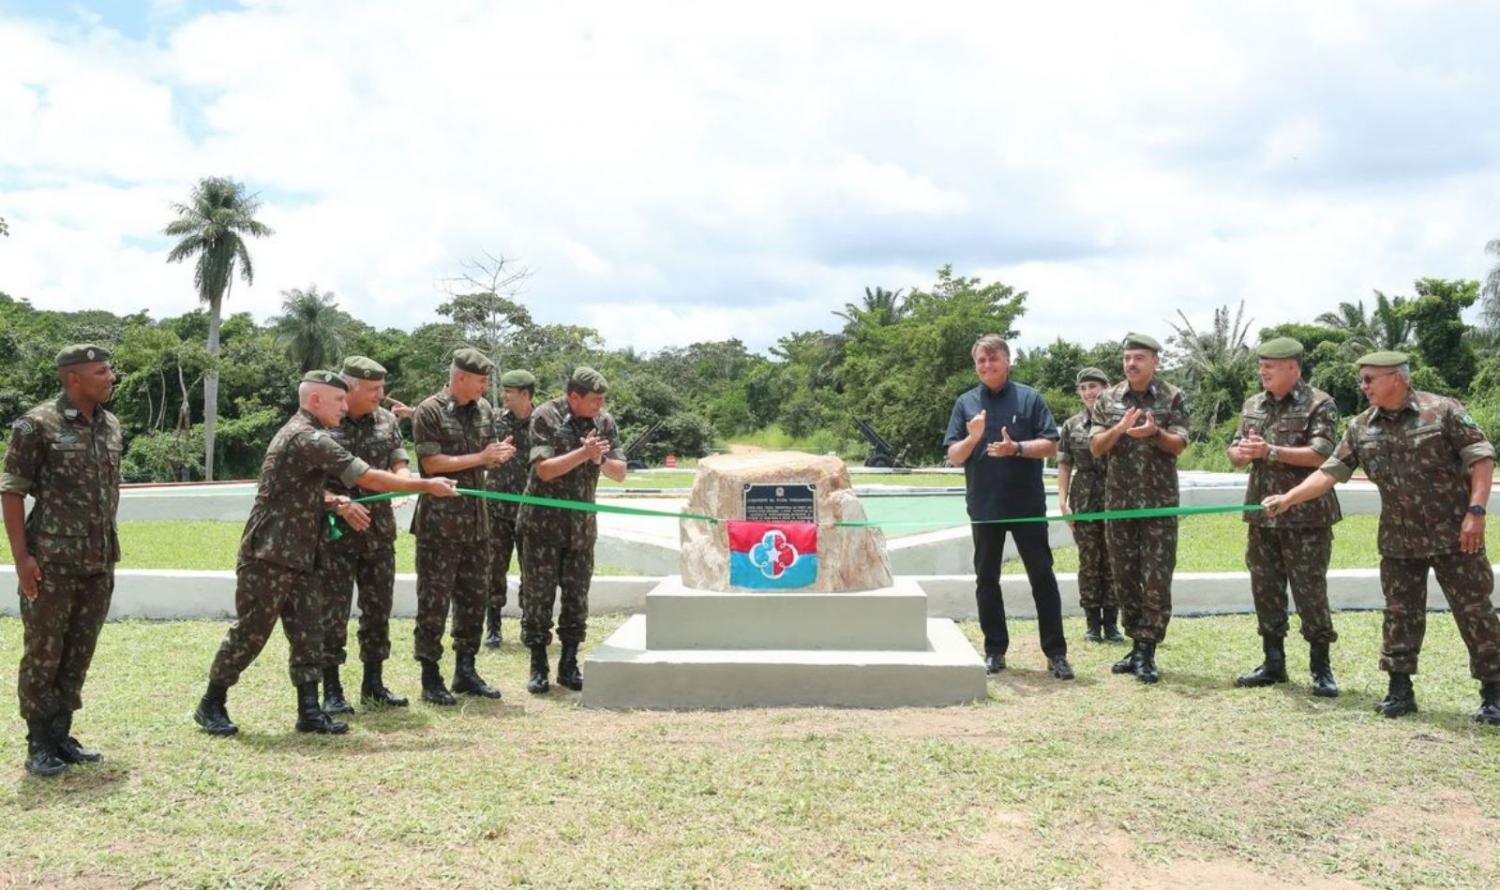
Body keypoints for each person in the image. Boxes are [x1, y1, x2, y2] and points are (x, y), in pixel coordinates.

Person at [193, 371, 457, 737]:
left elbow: (310, 489)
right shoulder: (306, 436)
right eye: (338, 400)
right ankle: (212, 702)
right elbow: (366, 477)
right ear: (315, 400)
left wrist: (336, 501)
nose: (345, 406)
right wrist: (426, 484)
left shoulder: (312, 434)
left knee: (308, 634)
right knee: (252, 632)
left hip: (304, 551)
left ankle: (310, 711)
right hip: (270, 552)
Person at [1264, 351, 1500, 724]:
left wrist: (1476, 512)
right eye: (1363, 379)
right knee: (1400, 614)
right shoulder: (1360, 426)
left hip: (1456, 534)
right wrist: (1288, 499)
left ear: (1397, 378)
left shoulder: (1443, 411)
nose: (1364, 386)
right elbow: (1329, 472)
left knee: (1475, 611)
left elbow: (1481, 458)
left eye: (1370, 379)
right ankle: (1400, 690)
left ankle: (1493, 693)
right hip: (1399, 538)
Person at [2, 345, 120, 776]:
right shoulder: (37, 426)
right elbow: (12, 491)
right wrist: (22, 559)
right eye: (101, 371)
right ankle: (38, 743)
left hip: (99, 561)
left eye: (109, 370)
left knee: (78, 652)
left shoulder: (110, 426)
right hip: (50, 563)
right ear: (73, 378)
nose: (111, 377)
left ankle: (61, 733)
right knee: (43, 654)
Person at [943, 335, 1073, 680]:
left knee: (1042, 577)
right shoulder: (966, 403)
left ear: (1007, 360)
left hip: (1027, 506)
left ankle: (1056, 653)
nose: (987, 366)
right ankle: (995, 649)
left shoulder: (1029, 399)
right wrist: (973, 438)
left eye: (993, 359)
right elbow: (953, 456)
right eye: (981, 361)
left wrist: (1015, 447)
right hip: (985, 507)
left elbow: (1050, 445)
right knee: (987, 580)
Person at [1227, 337, 1342, 697]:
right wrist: (1242, 453)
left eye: (1270, 366)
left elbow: (1322, 453)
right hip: (1262, 516)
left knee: (1310, 591)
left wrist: (1270, 451)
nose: (1263, 371)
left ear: (1293, 367)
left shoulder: (1319, 403)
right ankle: (1273, 662)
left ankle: (1321, 668)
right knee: (1266, 590)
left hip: (1306, 516)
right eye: (1261, 365)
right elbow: (1233, 452)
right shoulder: (1252, 405)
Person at [409, 348, 514, 704]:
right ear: (460, 377)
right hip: (439, 527)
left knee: (474, 599)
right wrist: (481, 458)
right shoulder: (429, 410)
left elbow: (485, 455)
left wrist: (497, 455)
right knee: (434, 603)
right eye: (481, 380)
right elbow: (431, 463)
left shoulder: (484, 410)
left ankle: (465, 671)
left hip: (476, 524)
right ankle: (430, 676)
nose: (485, 387)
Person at [315, 356, 415, 714]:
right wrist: (337, 504)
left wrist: (404, 481)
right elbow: (302, 484)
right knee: (332, 613)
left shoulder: (387, 421)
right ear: (350, 387)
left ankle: (374, 683)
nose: (380, 395)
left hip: (379, 534)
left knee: (377, 611)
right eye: (373, 389)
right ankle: (331, 689)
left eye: (382, 388)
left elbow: (399, 460)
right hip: (335, 536)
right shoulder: (323, 422)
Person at [518, 366, 626, 693]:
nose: (599, 405)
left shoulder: (604, 423)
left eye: (603, 399)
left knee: (577, 598)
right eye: (594, 399)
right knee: (538, 598)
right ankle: (538, 664)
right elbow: (545, 471)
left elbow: (619, 472)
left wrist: (598, 461)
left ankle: (569, 663)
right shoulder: (546, 416)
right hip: (542, 527)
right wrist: (583, 453)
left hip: (580, 529)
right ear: (573, 396)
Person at [1089, 333, 1189, 684]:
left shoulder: (1172, 396)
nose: (1131, 364)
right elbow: (1096, 448)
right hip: (1119, 504)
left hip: (1159, 505)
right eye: (1127, 358)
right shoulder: (1107, 398)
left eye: (1139, 358)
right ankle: (1135, 643)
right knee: (1125, 577)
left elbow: (1179, 445)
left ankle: (1148, 649)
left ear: (1155, 362)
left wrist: (1155, 433)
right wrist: (1120, 427)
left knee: (1156, 579)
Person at [1056, 367, 1120, 644]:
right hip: (1083, 496)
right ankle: (1092, 623)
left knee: (1114, 559)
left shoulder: (1120, 421)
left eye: (1093, 386)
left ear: (1107, 387)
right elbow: (1064, 462)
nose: (1088, 393)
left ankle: (1112, 624)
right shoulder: (1072, 425)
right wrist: (1062, 500)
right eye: (1083, 388)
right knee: (1089, 560)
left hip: (1115, 493)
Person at [483, 369, 537, 648]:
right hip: (497, 508)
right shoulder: (493, 420)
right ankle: (493, 626)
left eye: (508, 391)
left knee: (531, 569)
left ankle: (530, 624)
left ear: (525, 394)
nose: (503, 395)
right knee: (494, 568)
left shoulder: (543, 423)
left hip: (531, 511)